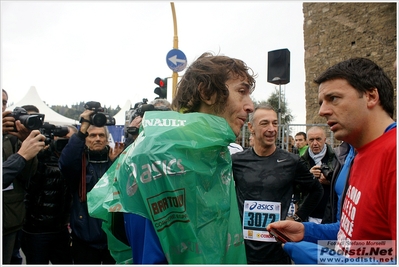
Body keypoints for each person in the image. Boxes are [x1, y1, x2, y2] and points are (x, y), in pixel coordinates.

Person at [87, 52, 256, 264]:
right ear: (206, 92)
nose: (250, 106)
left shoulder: (216, 154)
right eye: (241, 91)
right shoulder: (151, 156)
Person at [267, 58, 396, 264]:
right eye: (321, 102)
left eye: (333, 98)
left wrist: (327, 260)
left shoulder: (393, 154)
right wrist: (307, 231)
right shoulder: (357, 154)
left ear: (371, 96)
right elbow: (352, 232)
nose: (322, 111)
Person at [231, 104, 323, 264]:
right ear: (251, 127)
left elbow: (317, 191)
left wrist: (297, 218)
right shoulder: (237, 161)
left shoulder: (291, 162)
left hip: (277, 251)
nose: (272, 128)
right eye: (265, 123)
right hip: (243, 251)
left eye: (275, 123)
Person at [59, 110, 124, 264]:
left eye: (101, 136)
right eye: (92, 135)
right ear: (85, 139)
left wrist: (116, 163)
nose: (97, 139)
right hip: (84, 240)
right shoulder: (78, 163)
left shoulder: (115, 160)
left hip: (112, 240)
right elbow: (66, 163)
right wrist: (82, 130)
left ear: (107, 139)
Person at [21, 124, 78, 264]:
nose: (65, 143)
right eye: (62, 139)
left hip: (61, 229)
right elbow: (29, 181)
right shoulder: (39, 157)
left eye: (70, 140)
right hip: (37, 230)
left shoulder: (75, 160)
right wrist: (43, 153)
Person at [2, 89, 46, 264]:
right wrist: (20, 157)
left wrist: (24, 143)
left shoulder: (10, 138)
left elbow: (28, 176)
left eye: (4, 102)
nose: (2, 105)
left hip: (11, 220)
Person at [300, 126, 339, 224]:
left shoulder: (338, 158)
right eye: (311, 140)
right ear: (307, 141)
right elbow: (295, 188)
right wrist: (308, 177)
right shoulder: (300, 161)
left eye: (318, 139)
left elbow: (345, 186)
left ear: (325, 140)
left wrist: (330, 182)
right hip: (307, 215)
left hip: (330, 215)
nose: (315, 143)